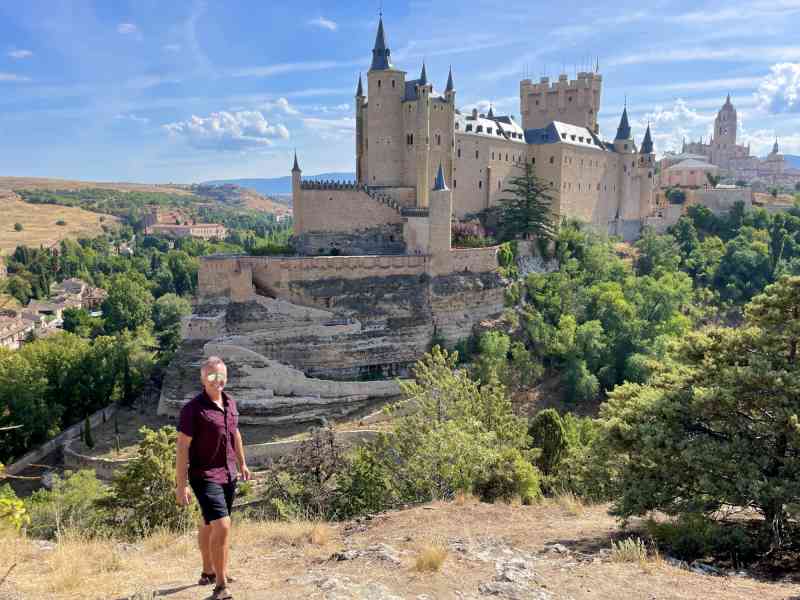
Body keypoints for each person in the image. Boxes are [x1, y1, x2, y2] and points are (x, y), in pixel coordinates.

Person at [176, 356, 251, 600]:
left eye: (220, 376)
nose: (216, 380)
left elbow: (235, 434)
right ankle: (220, 586)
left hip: (228, 472)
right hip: (204, 475)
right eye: (210, 376)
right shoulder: (192, 409)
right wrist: (181, 485)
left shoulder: (230, 403)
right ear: (202, 378)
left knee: (209, 523)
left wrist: (242, 463)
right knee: (222, 524)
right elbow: (182, 448)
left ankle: (208, 571)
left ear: (225, 378)